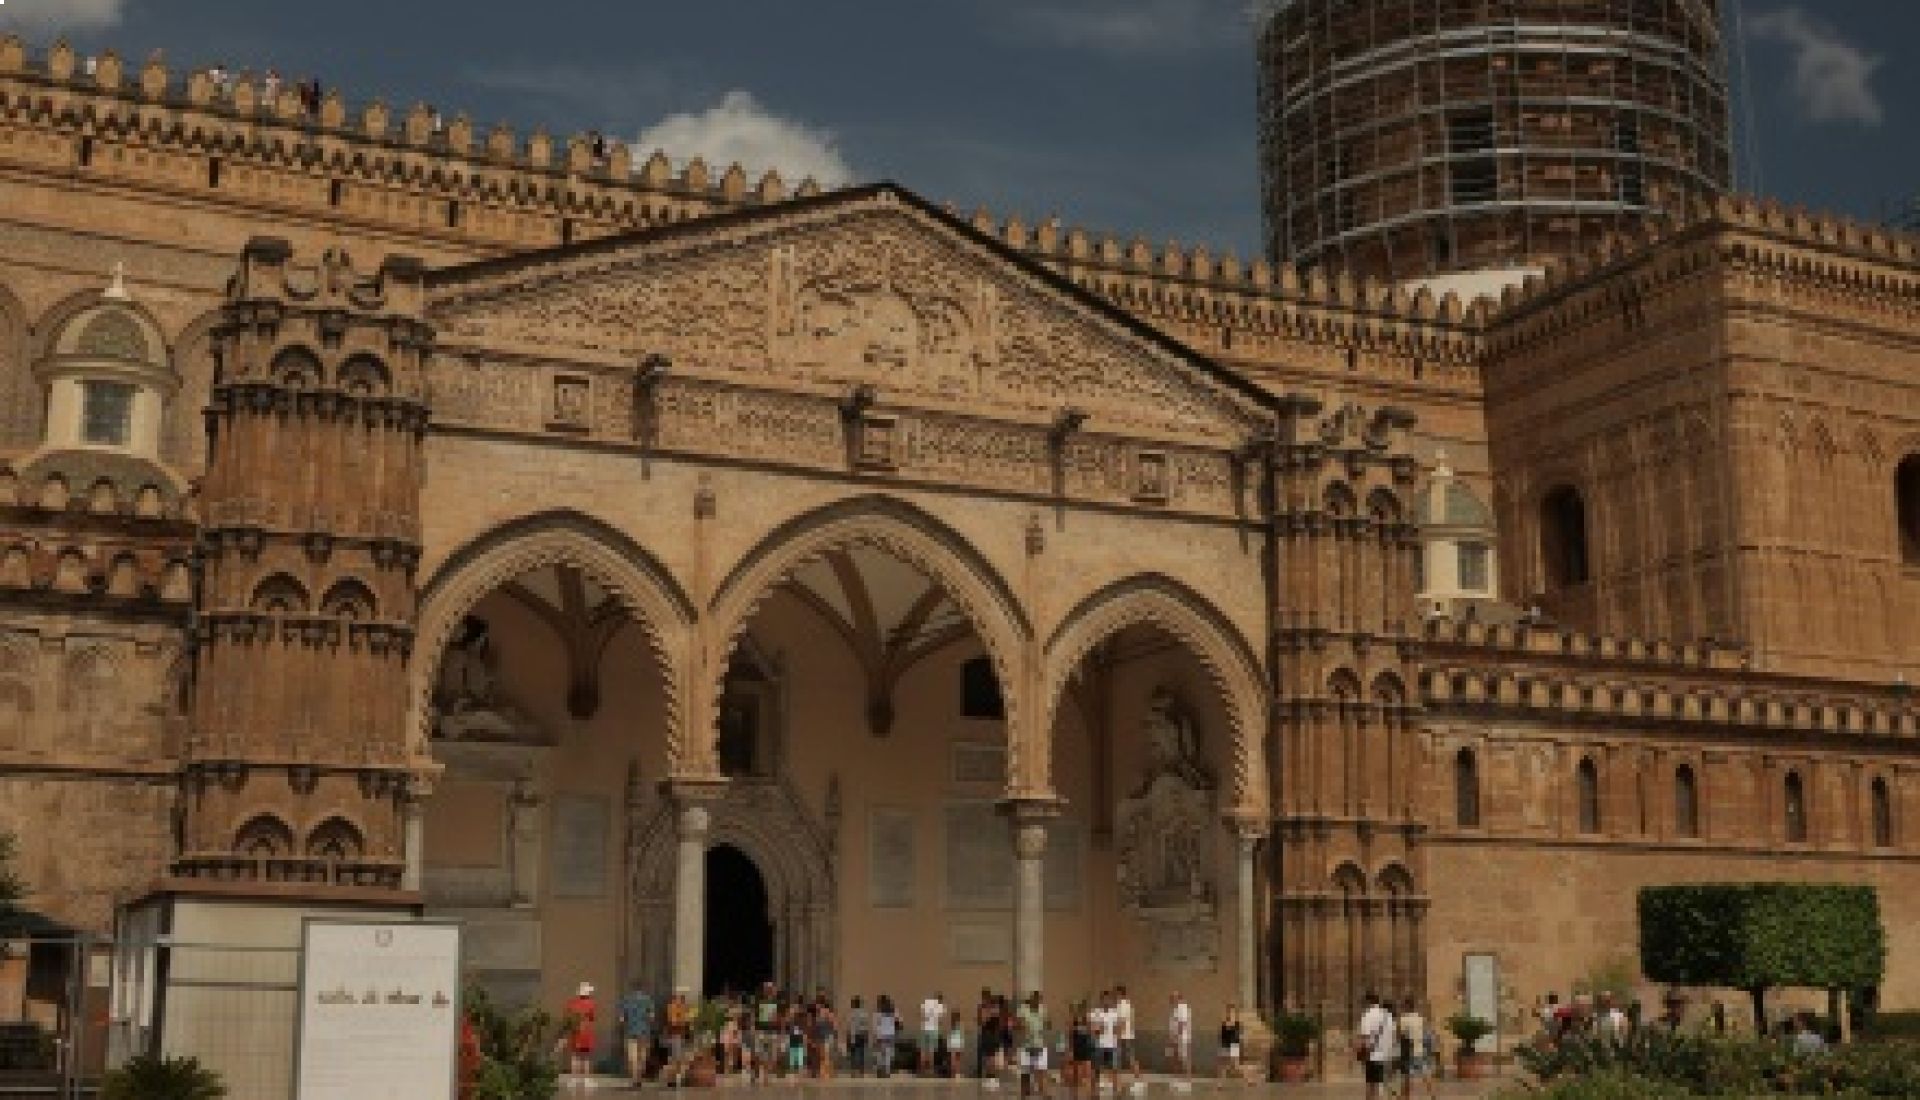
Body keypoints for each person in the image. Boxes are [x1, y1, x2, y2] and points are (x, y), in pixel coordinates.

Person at [1357, 992, 1398, 1100]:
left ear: (1368, 1002)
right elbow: (1394, 1034)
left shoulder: (1368, 1015)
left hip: (1374, 1055)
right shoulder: (1388, 1015)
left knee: (1371, 1086)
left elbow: (1365, 1037)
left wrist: (1361, 1051)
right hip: (1389, 1055)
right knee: (1387, 1085)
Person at [618, 980, 655, 1086]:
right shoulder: (648, 1000)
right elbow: (651, 1017)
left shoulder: (626, 1000)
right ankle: (639, 1077)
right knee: (642, 1056)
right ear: (642, 989)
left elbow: (621, 1019)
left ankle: (634, 1079)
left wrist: (629, 1021)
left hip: (631, 1032)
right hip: (644, 1032)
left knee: (632, 1056)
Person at [1396, 1000, 1436, 1100]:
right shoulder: (1420, 1018)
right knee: (1425, 1073)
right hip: (1420, 1049)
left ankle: (1405, 1096)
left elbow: (1400, 1035)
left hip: (1409, 1051)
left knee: (1408, 1076)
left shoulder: (1403, 1019)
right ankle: (1432, 1094)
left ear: (1406, 1007)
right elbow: (1426, 1033)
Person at [1016, 991, 1051, 1100]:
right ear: (1031, 1000)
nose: (1036, 1002)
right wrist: (1022, 1025)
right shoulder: (1023, 1009)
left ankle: (1044, 1093)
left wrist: (1047, 1023)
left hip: (1039, 1044)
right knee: (1025, 1072)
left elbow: (1048, 1023)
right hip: (1026, 1045)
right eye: (1034, 1000)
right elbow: (1018, 1024)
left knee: (1042, 1070)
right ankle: (1024, 1094)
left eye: (1038, 1000)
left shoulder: (1043, 1010)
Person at [564, 982, 598, 1083]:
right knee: (586, 1056)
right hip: (587, 1031)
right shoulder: (591, 1003)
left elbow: (568, 1018)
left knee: (575, 1055)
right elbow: (592, 1018)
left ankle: (573, 1080)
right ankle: (587, 1080)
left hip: (575, 1031)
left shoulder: (571, 1003)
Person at [1091, 991, 1121, 1095]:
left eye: (1108, 999)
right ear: (1101, 1000)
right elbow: (1093, 1028)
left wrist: (1117, 1038)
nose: (1106, 1001)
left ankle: (1115, 1088)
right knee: (1097, 1069)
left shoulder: (1114, 1013)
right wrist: (1098, 1029)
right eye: (1104, 999)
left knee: (1114, 1068)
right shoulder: (1096, 1013)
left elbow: (1118, 1027)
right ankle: (1094, 1089)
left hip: (1112, 1044)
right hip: (1100, 1045)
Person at [752, 982, 781, 1083]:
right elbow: (755, 1017)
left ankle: (765, 1074)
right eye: (767, 989)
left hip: (772, 1032)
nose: (769, 990)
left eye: (771, 989)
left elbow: (778, 1018)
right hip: (761, 1031)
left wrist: (780, 1030)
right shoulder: (759, 1002)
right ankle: (763, 1075)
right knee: (760, 1054)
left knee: (772, 1056)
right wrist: (754, 1029)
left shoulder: (777, 1003)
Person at [1114, 985, 1140, 1093]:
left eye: (1116, 993)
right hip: (1127, 1034)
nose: (1114, 995)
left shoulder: (1123, 1005)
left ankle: (1137, 1079)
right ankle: (1135, 1079)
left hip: (1124, 1036)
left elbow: (1122, 1021)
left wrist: (1118, 1036)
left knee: (1126, 1058)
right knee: (1126, 1057)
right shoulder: (1127, 1005)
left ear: (1120, 993)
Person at [664, 989, 693, 1085]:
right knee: (675, 1058)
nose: (681, 1000)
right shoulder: (672, 1007)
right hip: (675, 1035)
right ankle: (673, 1079)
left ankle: (677, 1078)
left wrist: (685, 1019)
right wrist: (683, 1019)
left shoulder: (685, 1008)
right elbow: (673, 1021)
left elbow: (689, 1020)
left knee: (680, 1058)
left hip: (683, 1035)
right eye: (679, 997)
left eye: (682, 998)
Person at [1069, 1002, 1096, 1098]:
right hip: (1077, 1048)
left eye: (1083, 1010)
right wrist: (1071, 1050)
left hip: (1086, 1048)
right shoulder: (1074, 1022)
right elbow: (1070, 1036)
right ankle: (1074, 1094)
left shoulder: (1087, 1021)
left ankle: (1092, 1093)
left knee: (1089, 1071)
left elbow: (1092, 1032)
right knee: (1076, 1073)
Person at [1167, 991, 1193, 1081]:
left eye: (1173, 998)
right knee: (1176, 1055)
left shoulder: (1183, 1008)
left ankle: (1187, 1075)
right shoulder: (1175, 1009)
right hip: (1176, 1036)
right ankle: (1177, 1074)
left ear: (1178, 998)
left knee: (1184, 1056)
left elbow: (1181, 1023)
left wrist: (1177, 1035)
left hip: (1182, 1037)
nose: (1171, 1000)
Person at [921, 991, 947, 1074]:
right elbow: (941, 1020)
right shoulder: (941, 1007)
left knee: (925, 1049)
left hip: (925, 1028)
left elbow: (922, 1013)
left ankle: (924, 1069)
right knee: (931, 1050)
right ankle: (929, 1069)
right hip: (934, 1029)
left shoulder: (928, 1004)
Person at [875, 994, 901, 1078]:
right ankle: (887, 1071)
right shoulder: (893, 1011)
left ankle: (880, 1070)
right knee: (888, 1054)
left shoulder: (878, 1013)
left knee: (880, 1053)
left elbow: (876, 1025)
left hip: (881, 1034)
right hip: (890, 1034)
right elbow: (899, 1023)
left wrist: (876, 1035)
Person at [814, 996, 840, 1080]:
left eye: (817, 1004)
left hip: (827, 1036)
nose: (816, 1006)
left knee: (826, 1056)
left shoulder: (827, 1013)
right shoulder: (819, 1014)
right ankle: (825, 1073)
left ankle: (826, 1073)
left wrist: (834, 1035)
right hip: (823, 1037)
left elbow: (835, 1025)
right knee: (824, 1056)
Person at [1217, 1004, 1243, 1083]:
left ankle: (1248, 1080)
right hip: (1226, 1046)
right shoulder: (1224, 1023)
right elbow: (1223, 1036)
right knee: (1224, 1066)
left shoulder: (1236, 1023)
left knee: (1236, 1066)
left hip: (1234, 1045)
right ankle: (1220, 1083)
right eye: (1230, 1012)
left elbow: (1236, 1036)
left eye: (1233, 1012)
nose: (1231, 1013)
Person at [848, 995, 872, 1076]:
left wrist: (848, 1036)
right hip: (861, 1035)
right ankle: (861, 1070)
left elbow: (850, 1026)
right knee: (861, 1053)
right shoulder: (864, 1013)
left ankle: (853, 1071)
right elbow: (866, 1026)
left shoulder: (851, 1014)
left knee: (853, 1054)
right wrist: (866, 1036)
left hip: (854, 1035)